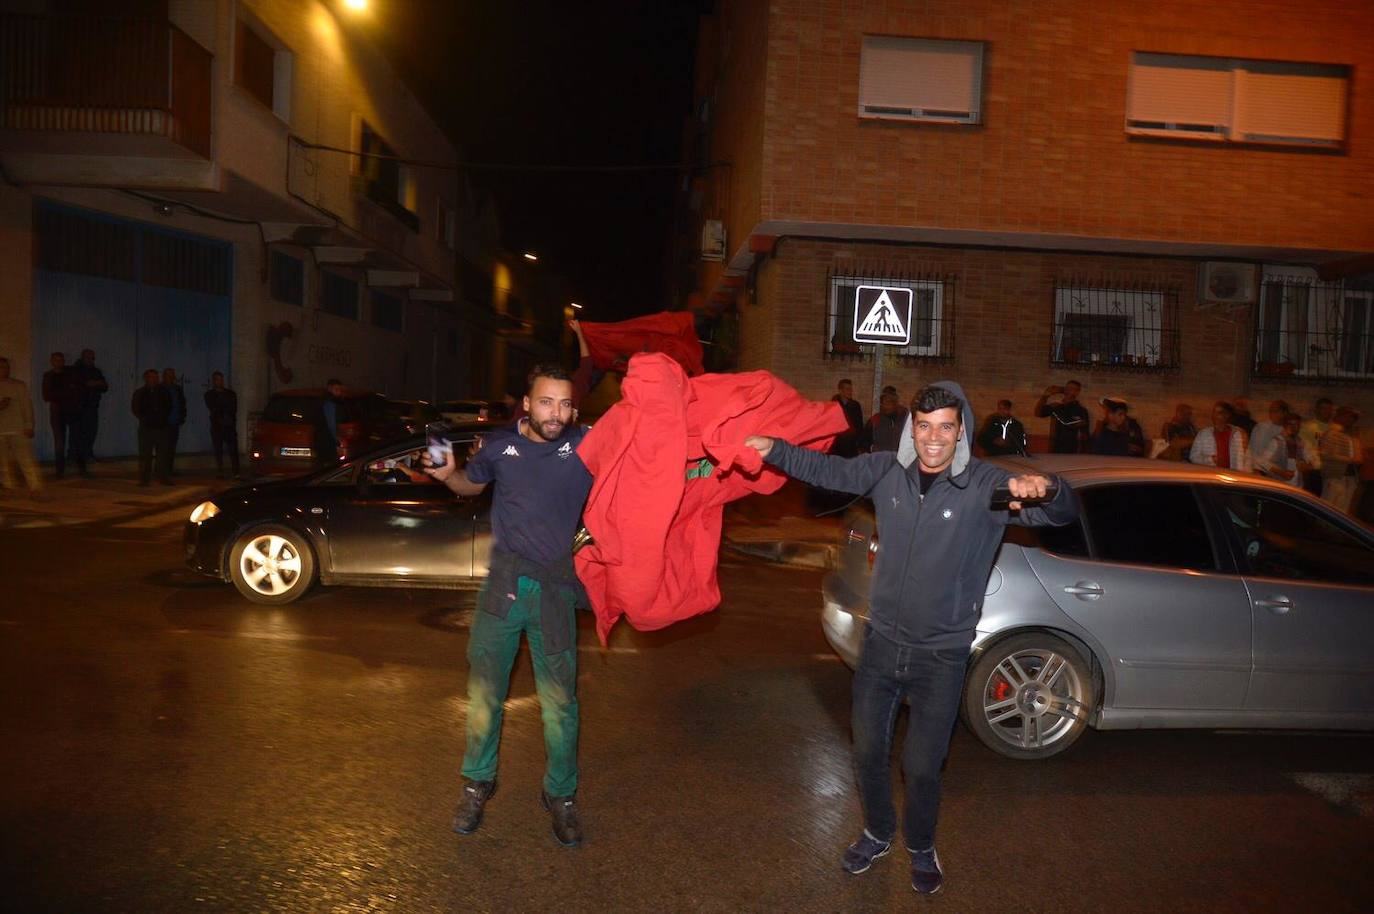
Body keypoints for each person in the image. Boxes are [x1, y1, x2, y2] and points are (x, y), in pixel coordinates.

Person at [744, 382, 1078, 897]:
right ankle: (878, 831)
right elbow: (827, 471)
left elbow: (1059, 514)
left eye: (946, 426)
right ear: (911, 429)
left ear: (961, 429)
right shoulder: (885, 471)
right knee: (867, 752)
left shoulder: (985, 486)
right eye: (924, 427)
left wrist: (1050, 489)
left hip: (941, 655)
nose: (934, 438)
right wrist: (773, 450)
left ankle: (920, 844)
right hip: (881, 645)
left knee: (921, 767)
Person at [425, 362, 593, 848]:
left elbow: (635, 470)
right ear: (526, 403)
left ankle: (560, 794)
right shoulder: (500, 447)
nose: (555, 412)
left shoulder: (585, 446)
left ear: (574, 409)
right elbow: (468, 487)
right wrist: (449, 473)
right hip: (503, 587)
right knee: (484, 696)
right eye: (546, 401)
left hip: (557, 590)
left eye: (564, 404)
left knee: (560, 705)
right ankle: (478, 782)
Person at [0, 356, 41, 496]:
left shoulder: (18, 385)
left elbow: (27, 407)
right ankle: (8, 487)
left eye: (6, 367)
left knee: (25, 459)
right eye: (1, 367)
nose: (4, 370)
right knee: (2, 462)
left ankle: (34, 487)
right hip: (1, 429)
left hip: (18, 428)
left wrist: (29, 425)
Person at [41, 351, 86, 479]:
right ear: (51, 361)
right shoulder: (48, 376)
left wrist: (75, 400)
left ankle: (82, 469)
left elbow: (79, 390)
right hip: (58, 412)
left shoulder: (71, 374)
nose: (58, 362)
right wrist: (66, 393)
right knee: (59, 442)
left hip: (72, 411)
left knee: (77, 440)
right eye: (56, 360)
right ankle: (60, 471)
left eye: (61, 360)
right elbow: (46, 395)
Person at [131, 369, 173, 486]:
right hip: (147, 428)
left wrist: (162, 417)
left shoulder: (164, 392)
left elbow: (169, 406)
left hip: (162, 427)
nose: (153, 379)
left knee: (162, 454)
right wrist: (146, 418)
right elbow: (136, 408)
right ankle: (145, 479)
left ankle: (163, 477)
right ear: (146, 378)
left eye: (155, 377)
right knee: (145, 454)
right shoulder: (140, 392)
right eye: (151, 377)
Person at [1319, 407, 1363, 514]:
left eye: (1353, 418)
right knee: (1329, 508)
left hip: (1350, 477)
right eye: (1348, 417)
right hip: (1336, 476)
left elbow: (1358, 455)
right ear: (1339, 417)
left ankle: (1336, 530)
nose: (1350, 420)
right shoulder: (1332, 433)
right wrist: (1350, 460)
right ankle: (1324, 530)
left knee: (1343, 510)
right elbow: (1325, 454)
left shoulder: (1351, 435)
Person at [70, 349, 108, 464]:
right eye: (88, 357)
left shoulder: (96, 371)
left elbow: (105, 387)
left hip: (92, 407)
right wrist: (88, 384)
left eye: (93, 358)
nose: (91, 360)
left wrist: (96, 383)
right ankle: (73, 457)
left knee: (91, 432)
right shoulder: (74, 370)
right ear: (82, 357)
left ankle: (87, 455)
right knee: (76, 433)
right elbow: (73, 386)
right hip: (77, 407)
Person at [1190, 401, 1251, 471]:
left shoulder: (1238, 434)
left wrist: (1247, 474)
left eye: (1219, 413)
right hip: (1212, 476)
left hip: (1233, 476)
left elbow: (1247, 457)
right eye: (1214, 412)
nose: (1214, 415)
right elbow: (1193, 457)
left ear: (1227, 415)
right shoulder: (1204, 434)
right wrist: (1211, 459)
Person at [1255, 412, 1312, 486]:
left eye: (1297, 425)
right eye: (1290, 424)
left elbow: (1311, 460)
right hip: (1279, 485)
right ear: (1284, 425)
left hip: (1297, 485)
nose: (1294, 427)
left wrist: (1307, 465)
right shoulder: (1277, 441)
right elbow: (1261, 461)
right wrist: (1281, 473)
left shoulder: (1300, 442)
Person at [1034, 380, 1089, 454]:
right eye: (1068, 388)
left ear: (1077, 392)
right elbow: (1038, 413)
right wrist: (1045, 396)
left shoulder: (1081, 410)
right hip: (1054, 448)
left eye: (1073, 389)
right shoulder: (1056, 407)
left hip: (1071, 450)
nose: (1069, 390)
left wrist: (1083, 453)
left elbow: (1084, 434)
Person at [205, 371, 240, 479]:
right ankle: (220, 471)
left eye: (221, 379)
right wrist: (221, 415)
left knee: (233, 449)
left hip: (229, 425)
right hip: (217, 426)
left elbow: (233, 408)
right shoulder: (209, 394)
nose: (219, 382)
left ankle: (236, 471)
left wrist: (227, 416)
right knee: (218, 449)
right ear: (213, 381)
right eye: (217, 379)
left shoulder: (230, 393)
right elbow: (213, 407)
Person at [1299, 398, 1335, 497]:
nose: (1326, 411)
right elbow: (1301, 448)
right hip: (1314, 469)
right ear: (1317, 410)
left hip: (1330, 470)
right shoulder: (1307, 427)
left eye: (1329, 409)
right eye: (1323, 408)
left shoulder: (1334, 428)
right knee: (1313, 497)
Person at [314, 378, 347, 470]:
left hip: (322, 441)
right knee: (332, 468)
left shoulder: (324, 401)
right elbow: (331, 423)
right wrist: (338, 440)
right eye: (336, 390)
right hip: (327, 441)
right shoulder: (330, 403)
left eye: (340, 390)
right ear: (329, 389)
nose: (339, 393)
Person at [831, 378, 865, 458]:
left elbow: (859, 425)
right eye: (847, 389)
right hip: (837, 445)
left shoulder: (855, 405)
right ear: (840, 390)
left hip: (851, 444)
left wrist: (858, 442)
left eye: (851, 389)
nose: (850, 391)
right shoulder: (833, 405)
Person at [1248, 400, 1289, 466]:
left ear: (1284, 413)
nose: (1271, 414)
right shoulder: (1261, 428)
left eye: (1275, 411)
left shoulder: (1287, 430)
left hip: (1279, 469)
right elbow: (1254, 450)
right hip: (1261, 467)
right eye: (1270, 411)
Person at [162, 368, 186, 475]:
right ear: (164, 376)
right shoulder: (160, 388)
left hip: (175, 422)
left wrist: (182, 417)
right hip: (164, 423)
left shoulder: (177, 389)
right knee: (164, 448)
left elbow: (182, 403)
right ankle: (163, 470)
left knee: (171, 448)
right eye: (169, 376)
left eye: (172, 376)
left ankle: (169, 469)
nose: (171, 378)